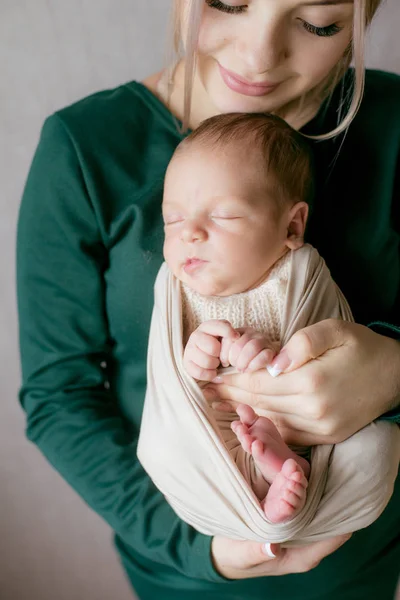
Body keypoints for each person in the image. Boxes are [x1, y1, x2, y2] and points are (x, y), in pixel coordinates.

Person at [16, 0, 400, 599]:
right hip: (187, 572)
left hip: (362, 560)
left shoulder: (394, 126)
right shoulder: (88, 150)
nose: (258, 56)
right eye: (229, 3)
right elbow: (59, 397)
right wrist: (201, 550)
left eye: (318, 23)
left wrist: (394, 371)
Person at [137, 110, 398, 543]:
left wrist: (270, 353)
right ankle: (268, 477)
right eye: (173, 220)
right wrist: (201, 353)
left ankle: (284, 472)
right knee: (167, 449)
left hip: (318, 422)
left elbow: (324, 339)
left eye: (223, 216)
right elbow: (177, 375)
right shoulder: (180, 291)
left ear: (292, 226)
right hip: (221, 432)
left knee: (373, 450)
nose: (190, 234)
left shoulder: (298, 275)